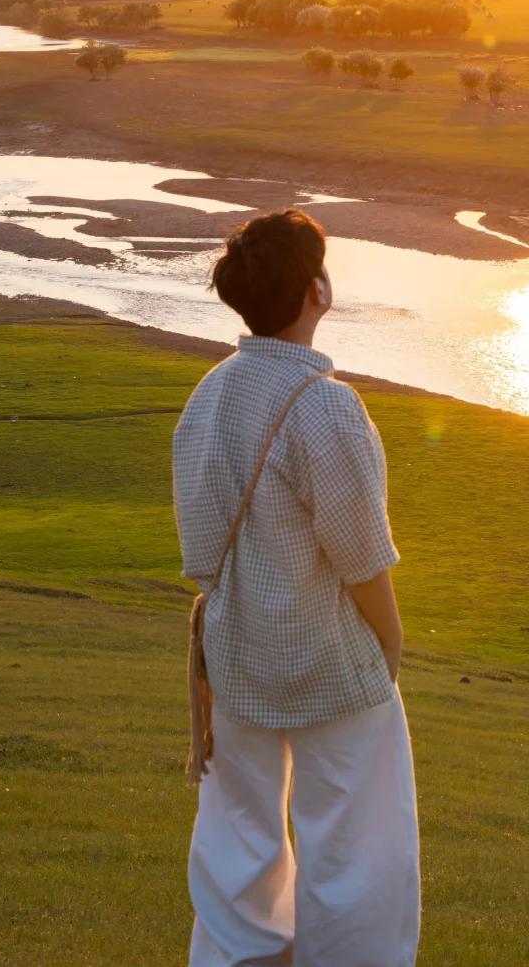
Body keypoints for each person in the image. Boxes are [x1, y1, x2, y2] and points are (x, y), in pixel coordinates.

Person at [173, 209, 420, 967]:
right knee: (358, 845)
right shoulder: (325, 404)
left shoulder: (210, 392)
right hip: (328, 664)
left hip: (235, 653)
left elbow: (198, 536)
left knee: (237, 840)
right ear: (318, 289)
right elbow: (359, 555)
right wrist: (391, 639)